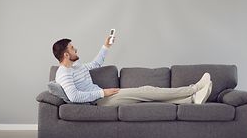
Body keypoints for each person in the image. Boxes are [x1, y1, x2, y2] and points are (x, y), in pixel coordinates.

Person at [52, 36, 212, 106]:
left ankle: (191, 100)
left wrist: (106, 46)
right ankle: (194, 88)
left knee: (147, 96)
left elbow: (96, 63)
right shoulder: (64, 73)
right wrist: (103, 93)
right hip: (99, 101)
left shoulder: (76, 67)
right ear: (66, 54)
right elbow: (73, 97)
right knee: (147, 91)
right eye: (73, 48)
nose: (76, 49)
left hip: (103, 97)